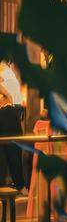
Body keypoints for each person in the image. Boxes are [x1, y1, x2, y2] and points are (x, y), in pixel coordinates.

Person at [0, 61, 27, 192]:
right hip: (6, 111)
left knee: (12, 149)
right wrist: (8, 95)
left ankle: (17, 185)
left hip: (11, 110)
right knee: (13, 149)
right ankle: (19, 185)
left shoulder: (7, 67)